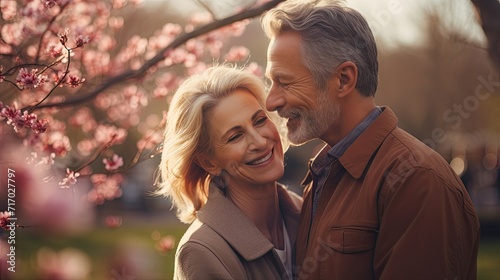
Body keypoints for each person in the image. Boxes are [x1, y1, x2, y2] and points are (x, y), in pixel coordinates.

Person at [261, 0, 480, 279]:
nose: (271, 101)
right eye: (271, 82)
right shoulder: (323, 174)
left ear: (343, 79)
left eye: (285, 82)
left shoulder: (418, 181)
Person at [157, 65, 302, 279]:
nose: (260, 142)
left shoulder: (309, 209)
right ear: (208, 163)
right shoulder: (202, 252)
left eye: (260, 120)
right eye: (235, 136)